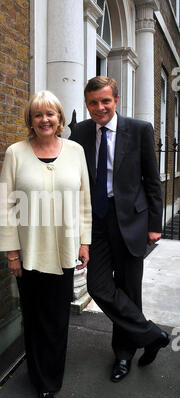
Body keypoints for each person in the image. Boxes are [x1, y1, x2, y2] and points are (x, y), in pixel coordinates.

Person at [69, 76, 171, 382]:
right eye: (93, 102)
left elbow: (152, 181)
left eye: (105, 101)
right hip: (96, 221)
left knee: (129, 290)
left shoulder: (139, 130)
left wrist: (155, 224)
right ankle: (151, 334)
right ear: (86, 104)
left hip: (131, 221)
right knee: (99, 286)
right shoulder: (80, 132)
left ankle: (123, 355)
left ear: (116, 100)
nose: (99, 108)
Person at [0, 90, 91, 398]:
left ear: (60, 119)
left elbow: (84, 202)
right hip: (30, 253)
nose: (45, 119)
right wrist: (12, 253)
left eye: (50, 114)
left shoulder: (76, 151)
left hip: (65, 250)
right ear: (30, 121)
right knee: (34, 316)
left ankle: (52, 378)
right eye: (38, 115)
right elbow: (6, 206)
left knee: (57, 317)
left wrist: (84, 241)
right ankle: (39, 380)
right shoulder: (16, 153)